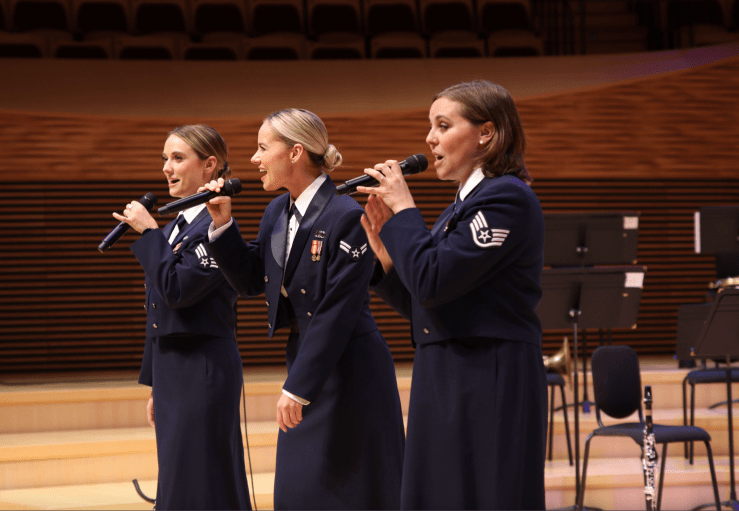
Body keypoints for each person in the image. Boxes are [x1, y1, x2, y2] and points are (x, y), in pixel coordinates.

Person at [202, 108, 405, 510]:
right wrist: (223, 228)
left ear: (295, 153)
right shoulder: (276, 211)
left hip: (352, 371)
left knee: (354, 493)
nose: (255, 159)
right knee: (299, 491)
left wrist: (298, 386)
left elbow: (337, 311)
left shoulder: (346, 215)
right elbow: (249, 282)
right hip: (307, 358)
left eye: (263, 148)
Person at [359, 80, 548, 510]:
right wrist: (388, 262)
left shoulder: (507, 199)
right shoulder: (458, 209)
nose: (430, 139)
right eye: (431, 126)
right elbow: (426, 301)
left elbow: (432, 280)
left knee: (489, 496)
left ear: (486, 133)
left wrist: (405, 212)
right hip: (446, 371)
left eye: (443, 125)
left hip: (490, 373)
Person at [113, 124, 251, 511]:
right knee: (180, 472)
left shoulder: (215, 227)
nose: (166, 168)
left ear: (209, 165)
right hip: (173, 367)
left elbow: (178, 290)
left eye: (177, 158)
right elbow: (155, 309)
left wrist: (148, 231)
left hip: (204, 365)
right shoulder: (174, 228)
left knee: (203, 473)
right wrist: (155, 380)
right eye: (164, 159)